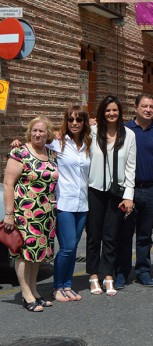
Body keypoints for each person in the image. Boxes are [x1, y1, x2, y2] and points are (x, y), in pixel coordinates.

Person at [115, 93, 153, 289]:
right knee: (124, 234)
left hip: (152, 189)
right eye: (144, 106)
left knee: (145, 235)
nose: (148, 110)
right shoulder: (123, 129)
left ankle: (143, 271)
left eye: (151, 106)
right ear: (135, 108)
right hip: (128, 191)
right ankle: (121, 273)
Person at [3, 116, 58, 312]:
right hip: (25, 212)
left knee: (38, 255)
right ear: (29, 131)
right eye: (34, 130)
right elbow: (9, 183)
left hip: (46, 214)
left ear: (48, 134)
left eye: (42, 131)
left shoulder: (51, 154)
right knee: (24, 254)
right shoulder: (19, 152)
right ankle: (26, 293)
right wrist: (9, 214)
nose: (38, 134)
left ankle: (34, 290)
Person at [86, 96, 136, 296]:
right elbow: (66, 137)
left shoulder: (129, 135)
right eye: (107, 110)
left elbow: (131, 167)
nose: (111, 113)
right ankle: (93, 275)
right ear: (101, 112)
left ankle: (108, 275)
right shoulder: (92, 131)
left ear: (120, 112)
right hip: (94, 190)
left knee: (111, 236)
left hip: (118, 192)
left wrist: (129, 195)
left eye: (115, 110)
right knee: (93, 235)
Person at [50, 106, 92, 302]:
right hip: (64, 203)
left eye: (79, 120)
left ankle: (67, 285)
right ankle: (57, 286)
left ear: (84, 122)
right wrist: (17, 142)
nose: (74, 123)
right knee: (67, 247)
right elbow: (34, 143)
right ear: (66, 122)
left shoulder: (88, 144)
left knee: (74, 248)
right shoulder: (58, 143)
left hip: (82, 204)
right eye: (71, 120)